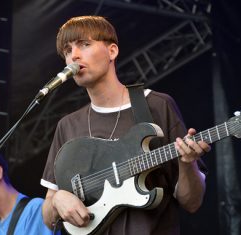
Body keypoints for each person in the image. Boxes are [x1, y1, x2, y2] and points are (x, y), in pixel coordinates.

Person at [41, 15, 211, 235]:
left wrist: (188, 164)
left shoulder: (155, 106)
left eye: (84, 44)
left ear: (112, 51)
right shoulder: (68, 126)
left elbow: (192, 202)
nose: (74, 55)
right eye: (67, 50)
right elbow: (47, 216)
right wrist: (57, 201)